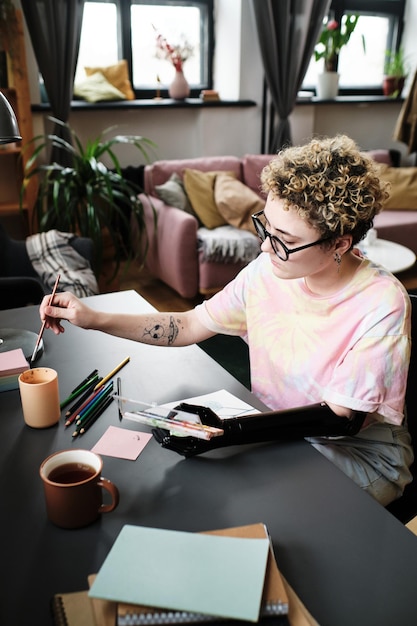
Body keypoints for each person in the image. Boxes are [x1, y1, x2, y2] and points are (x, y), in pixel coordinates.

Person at [39, 134, 413, 506]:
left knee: (244, 499)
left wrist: (225, 431)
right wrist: (93, 317)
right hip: (277, 432)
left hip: (357, 453)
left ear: (340, 244)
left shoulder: (381, 302)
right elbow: (187, 326)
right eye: (266, 227)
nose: (266, 247)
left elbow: (340, 420)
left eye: (283, 238)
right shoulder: (267, 272)